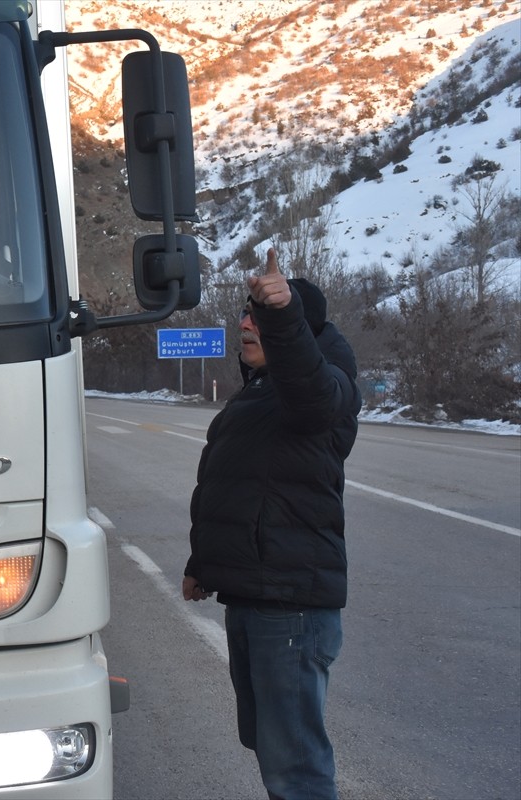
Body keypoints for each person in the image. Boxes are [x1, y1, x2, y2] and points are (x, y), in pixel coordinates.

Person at [182, 249, 361, 800]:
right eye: (246, 314)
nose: (244, 323)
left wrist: (282, 314)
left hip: (291, 607)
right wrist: (202, 566)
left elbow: (308, 384)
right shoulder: (256, 398)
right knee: (271, 745)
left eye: (257, 317)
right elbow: (232, 491)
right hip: (255, 596)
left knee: (296, 766)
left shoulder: (324, 391)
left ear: (296, 332)